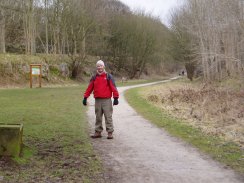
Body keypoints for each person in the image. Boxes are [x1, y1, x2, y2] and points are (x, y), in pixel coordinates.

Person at [82, 60, 119, 139]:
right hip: (98, 100)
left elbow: (113, 87)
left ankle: (110, 132)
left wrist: (116, 97)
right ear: (97, 67)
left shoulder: (108, 76)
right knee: (98, 116)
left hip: (107, 100)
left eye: (101, 66)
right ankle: (98, 132)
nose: (99, 67)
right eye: (98, 66)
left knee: (108, 116)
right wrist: (85, 97)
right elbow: (89, 88)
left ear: (103, 67)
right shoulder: (94, 77)